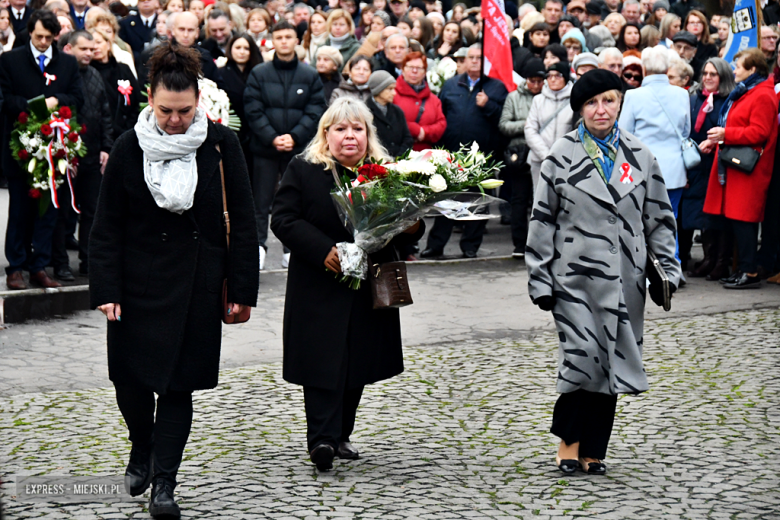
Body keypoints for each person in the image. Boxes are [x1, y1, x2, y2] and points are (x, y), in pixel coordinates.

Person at [89, 44, 258, 519]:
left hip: (197, 285)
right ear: (149, 98)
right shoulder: (128, 145)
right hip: (136, 288)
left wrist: (242, 291)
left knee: (178, 389)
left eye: (185, 111)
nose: (176, 121)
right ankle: (140, 445)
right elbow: (106, 228)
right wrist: (106, 290)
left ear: (199, 102)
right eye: (166, 111)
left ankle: (165, 482)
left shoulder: (222, 145)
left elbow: (243, 222)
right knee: (131, 385)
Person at [526, 67, 681, 476]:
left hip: (625, 279)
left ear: (620, 103)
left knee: (612, 361)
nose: (601, 109)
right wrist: (539, 277)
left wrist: (667, 269)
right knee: (582, 360)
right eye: (592, 103)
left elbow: (660, 220)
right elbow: (541, 220)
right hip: (574, 279)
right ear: (580, 109)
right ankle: (568, 443)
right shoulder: (561, 155)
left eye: (609, 100)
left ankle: (594, 448)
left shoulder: (641, 155)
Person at [270, 97, 425, 472]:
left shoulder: (386, 173)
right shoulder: (305, 169)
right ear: (326, 135)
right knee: (323, 362)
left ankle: (340, 434)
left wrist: (411, 224)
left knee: (357, 361)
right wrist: (322, 250)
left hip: (368, 284)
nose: (349, 136)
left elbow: (407, 226)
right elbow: (284, 219)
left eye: (357, 128)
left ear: (368, 135)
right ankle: (321, 439)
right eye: (340, 129)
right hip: (319, 284)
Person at [0, 10, 84, 290]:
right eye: (38, 37)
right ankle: (16, 267)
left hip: (55, 149)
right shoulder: (10, 60)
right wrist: (34, 106)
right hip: (20, 149)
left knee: (49, 212)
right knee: (20, 210)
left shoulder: (67, 63)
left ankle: (40, 265)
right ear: (30, 33)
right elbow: (5, 99)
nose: (43, 42)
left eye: (49, 38)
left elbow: (76, 98)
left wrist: (56, 100)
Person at [244, 20, 326, 270]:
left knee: (297, 200)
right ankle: (258, 246)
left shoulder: (309, 74)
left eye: (288, 37)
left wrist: (295, 136)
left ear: (296, 40)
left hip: (298, 149)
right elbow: (253, 108)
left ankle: (292, 249)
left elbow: (315, 110)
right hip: (266, 148)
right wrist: (272, 137)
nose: (283, 41)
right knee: (260, 200)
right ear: (272, 41)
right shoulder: (259, 73)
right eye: (278, 37)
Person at [420, 43, 508, 259]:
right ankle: (436, 245)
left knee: (478, 202)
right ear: (465, 60)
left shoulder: (496, 87)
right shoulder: (451, 85)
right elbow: (440, 114)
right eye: (471, 57)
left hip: (482, 155)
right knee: (446, 200)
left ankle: (470, 245)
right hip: (452, 154)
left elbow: (504, 119)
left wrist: (488, 105)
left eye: (479, 57)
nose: (474, 61)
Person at [702, 48, 779, 288]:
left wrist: (726, 135)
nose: (734, 70)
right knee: (737, 220)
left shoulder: (762, 94)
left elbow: (759, 131)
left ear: (753, 69)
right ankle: (744, 269)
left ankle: (750, 272)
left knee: (745, 222)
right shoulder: (749, 91)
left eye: (739, 66)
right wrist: (718, 139)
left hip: (750, 169)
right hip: (737, 166)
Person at [619, 45, 690, 263]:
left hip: (642, 167)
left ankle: (649, 267)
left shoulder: (633, 95)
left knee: (644, 218)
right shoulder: (681, 94)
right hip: (674, 168)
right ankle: (672, 263)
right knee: (671, 218)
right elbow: (685, 131)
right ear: (667, 66)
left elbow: (624, 133)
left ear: (644, 67)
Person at [55, 30, 112, 280]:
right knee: (62, 212)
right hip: (67, 156)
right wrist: (65, 152)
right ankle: (60, 264)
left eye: (92, 49)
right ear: (69, 49)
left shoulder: (96, 75)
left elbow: (105, 115)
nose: (90, 53)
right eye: (84, 49)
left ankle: (89, 261)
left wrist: (106, 148)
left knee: (93, 211)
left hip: (92, 155)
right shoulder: (61, 77)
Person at [679, 57, 734, 279]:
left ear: (723, 77)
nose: (708, 78)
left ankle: (721, 261)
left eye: (713, 74)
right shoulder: (694, 99)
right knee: (701, 214)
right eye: (705, 74)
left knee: (717, 215)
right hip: (697, 162)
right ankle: (709, 258)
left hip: (717, 163)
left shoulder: (728, 100)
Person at [499, 57, 545, 259]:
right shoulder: (514, 97)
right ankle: (519, 243)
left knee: (540, 200)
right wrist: (527, 125)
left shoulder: (547, 98)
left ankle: (540, 242)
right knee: (519, 199)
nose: (535, 85)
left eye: (539, 81)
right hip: (519, 153)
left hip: (541, 153)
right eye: (531, 81)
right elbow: (504, 125)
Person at [525, 61, 574, 193]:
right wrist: (546, 155)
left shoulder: (574, 100)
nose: (552, 79)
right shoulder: (538, 100)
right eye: (549, 76)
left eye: (557, 75)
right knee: (540, 197)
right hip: (540, 160)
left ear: (566, 78)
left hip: (565, 161)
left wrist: (560, 157)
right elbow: (530, 129)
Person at [220, 33, 262, 176]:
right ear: (231, 49)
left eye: (246, 48)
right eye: (238, 47)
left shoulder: (259, 73)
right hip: (232, 131)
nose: (242, 52)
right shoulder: (221, 73)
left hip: (255, 135)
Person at [90, 27, 140, 137]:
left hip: (128, 131)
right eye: (92, 44)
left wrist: (129, 127)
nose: (95, 47)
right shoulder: (89, 74)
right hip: (103, 135)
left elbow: (137, 100)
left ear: (108, 44)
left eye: (98, 42)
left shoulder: (123, 69)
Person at [392, 51, 446, 151]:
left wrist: (424, 132)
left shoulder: (433, 100)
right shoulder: (392, 94)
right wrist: (414, 129)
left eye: (419, 68)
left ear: (425, 72)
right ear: (403, 69)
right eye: (410, 67)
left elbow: (441, 125)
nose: (414, 71)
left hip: (424, 156)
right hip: (397, 154)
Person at [365, 70, 413, 157]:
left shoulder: (397, 111)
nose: (394, 93)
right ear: (378, 90)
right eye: (390, 89)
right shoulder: (365, 112)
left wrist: (398, 158)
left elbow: (407, 139)